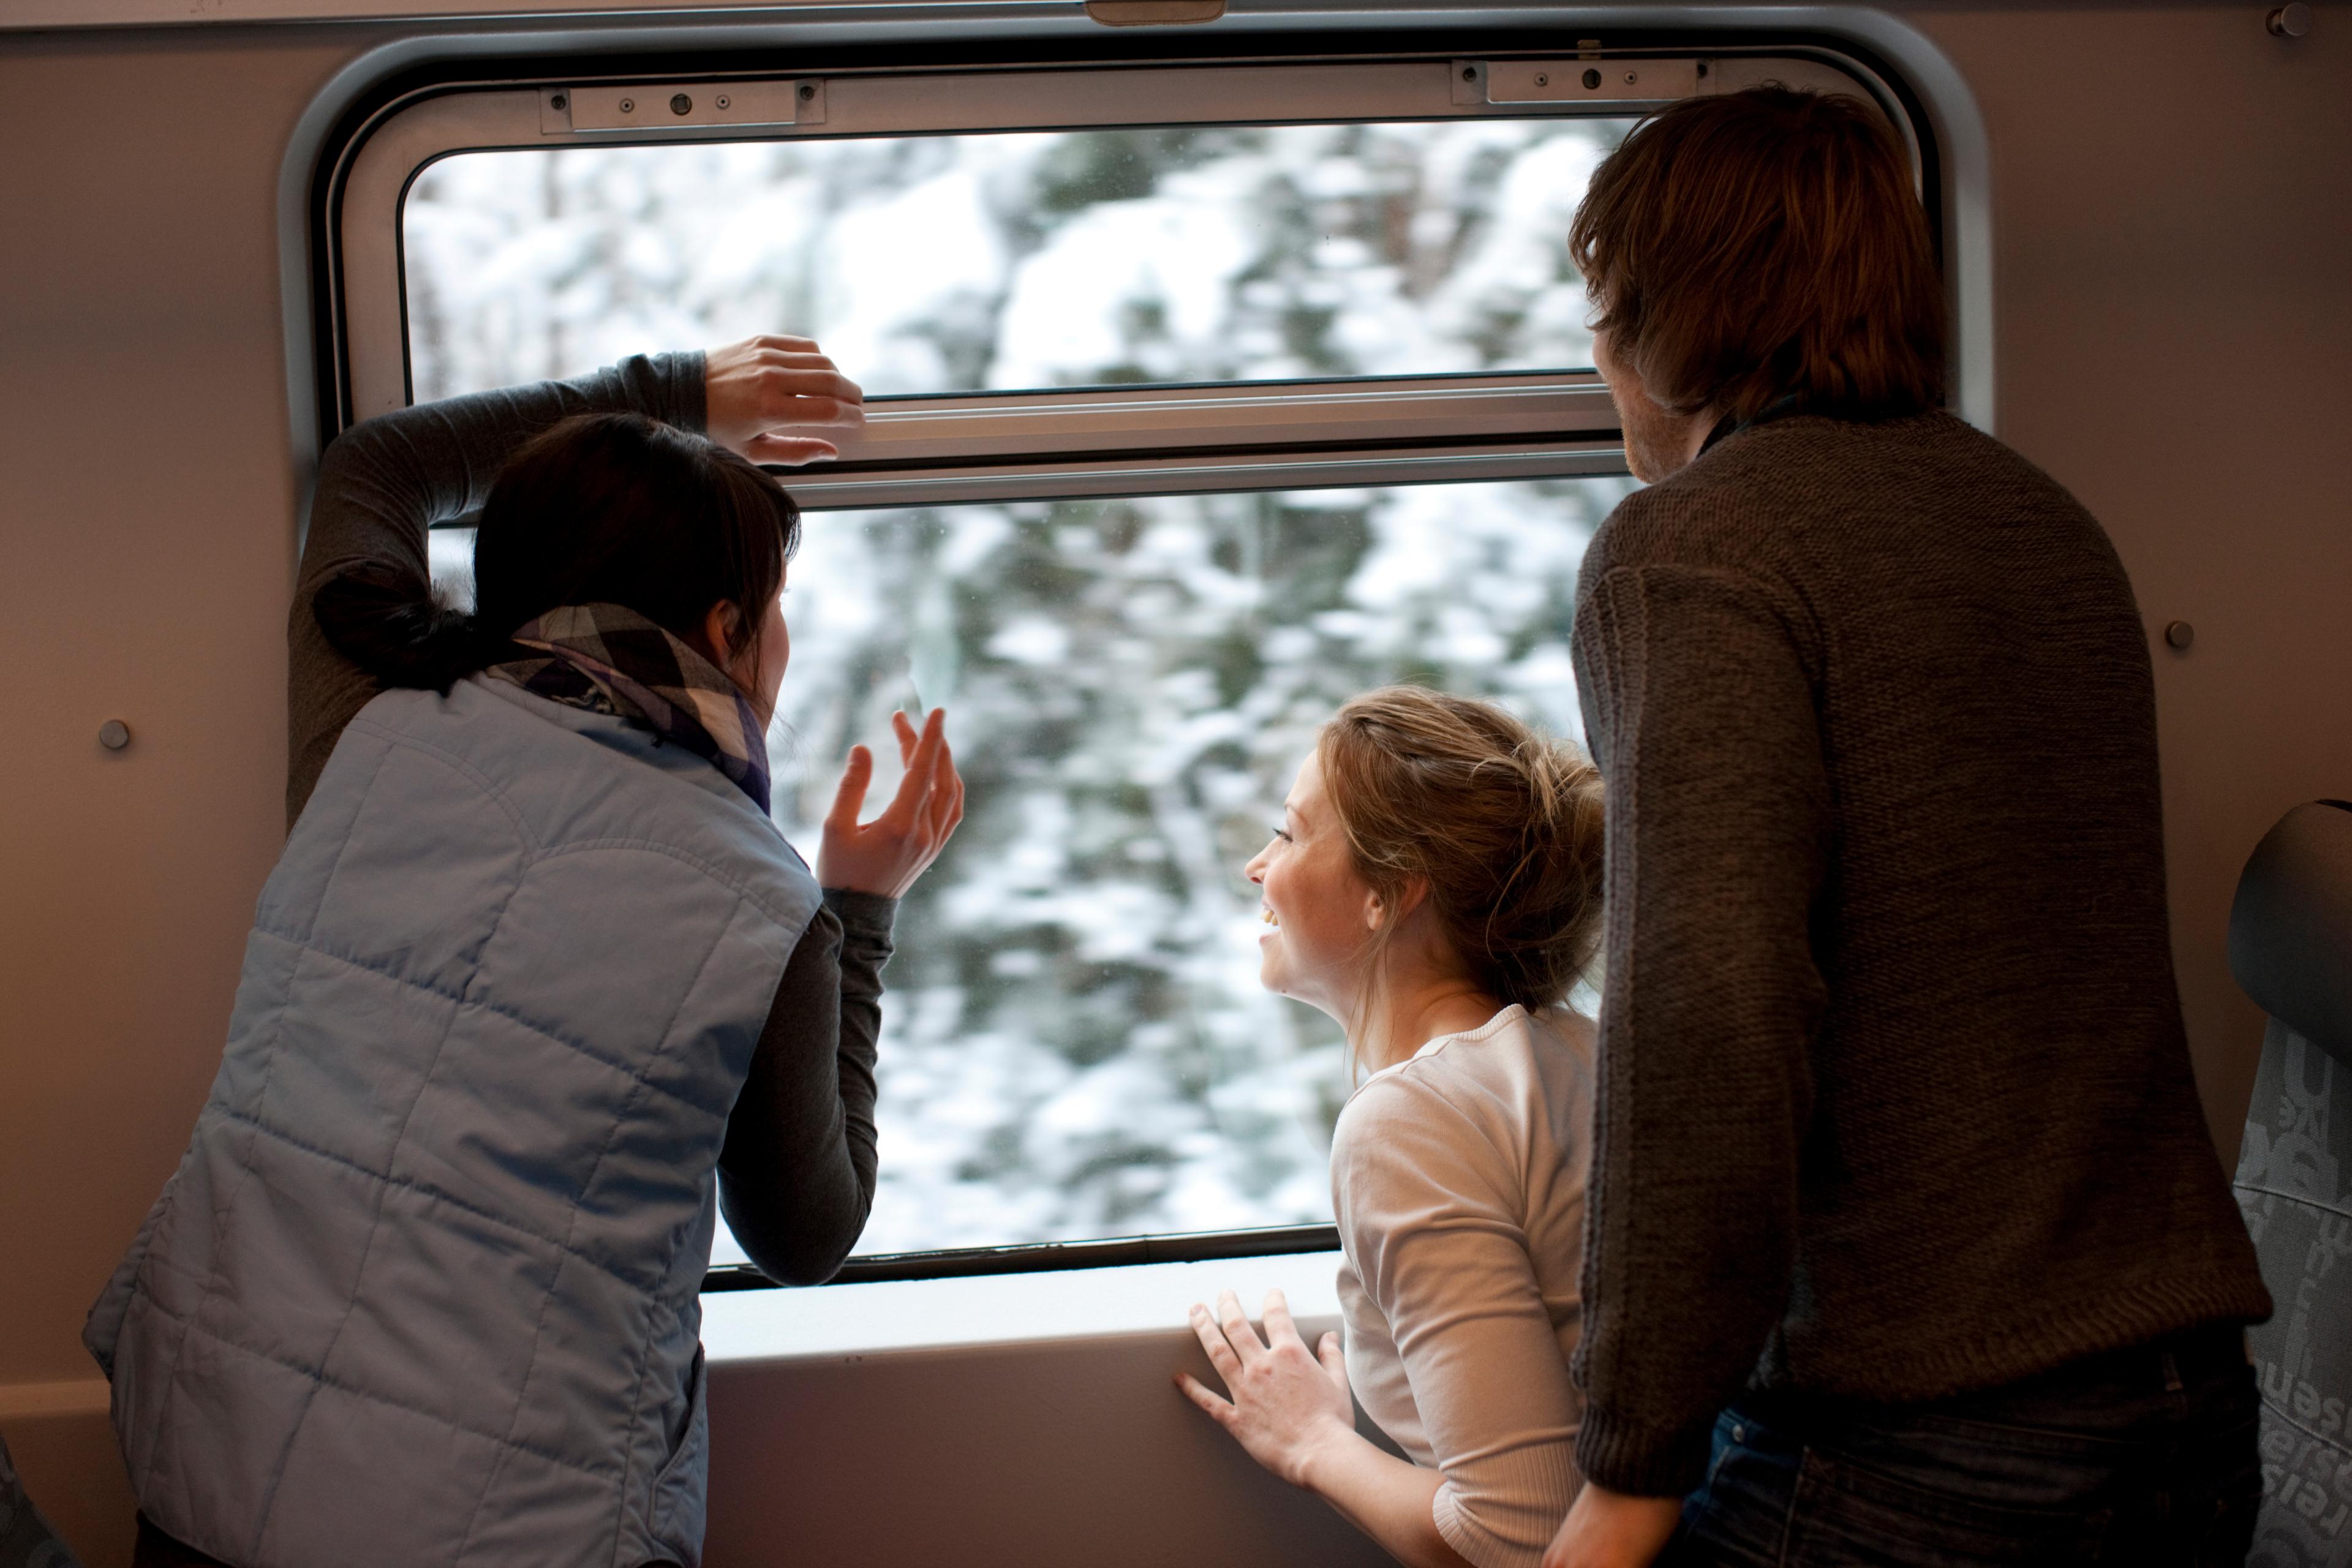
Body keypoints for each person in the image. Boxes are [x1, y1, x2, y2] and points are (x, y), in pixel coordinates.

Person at [83, 336, 964, 1567]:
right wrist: (859, 911)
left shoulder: (371, 719)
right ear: (726, 628)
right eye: (773, 616)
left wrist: (675, 399)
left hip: (204, 1470)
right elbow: (806, 1233)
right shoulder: (765, 907)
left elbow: (375, 464)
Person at [1540, 89, 2272, 1568]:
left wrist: (1629, 1470)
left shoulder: (1691, 550)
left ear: (1677, 321)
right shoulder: (2038, 516)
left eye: (1609, 308)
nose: (1599, 355)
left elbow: (1710, 1014)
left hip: (1924, 1453)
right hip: (2185, 1418)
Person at [1175, 687, 1607, 1568]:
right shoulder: (1582, 1053)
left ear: (1389, 893)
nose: (1259, 868)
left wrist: (1313, 1444)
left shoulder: (1411, 1122)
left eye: (1290, 834)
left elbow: (1522, 1537)